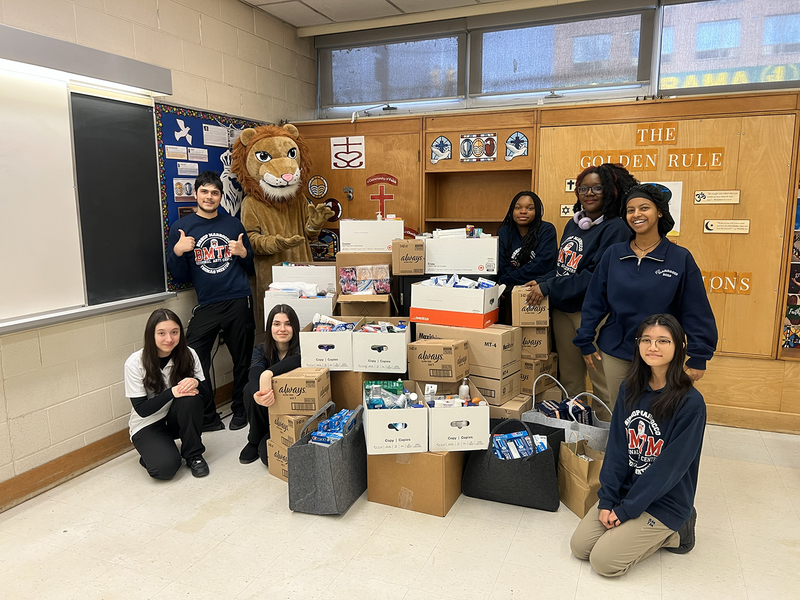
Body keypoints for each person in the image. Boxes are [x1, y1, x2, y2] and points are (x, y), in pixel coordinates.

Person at [570, 314, 705, 577]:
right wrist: (608, 500)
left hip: (665, 500)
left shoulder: (691, 403)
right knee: (580, 547)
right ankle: (632, 526)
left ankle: (677, 533)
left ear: (679, 346)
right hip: (626, 492)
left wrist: (627, 510)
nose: (653, 347)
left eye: (663, 341)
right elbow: (618, 449)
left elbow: (669, 469)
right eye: (647, 340)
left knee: (604, 563)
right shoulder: (630, 388)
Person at [573, 183, 718, 411]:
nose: (636, 215)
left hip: (660, 353)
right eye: (630, 210)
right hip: (616, 351)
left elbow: (696, 309)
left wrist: (699, 355)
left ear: (659, 211)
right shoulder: (614, 255)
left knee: (656, 416)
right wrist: (585, 340)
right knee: (620, 413)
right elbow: (595, 302)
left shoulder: (679, 258)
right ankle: (619, 448)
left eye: (644, 208)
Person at [524, 163, 636, 404]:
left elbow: (594, 277)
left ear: (610, 190)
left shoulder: (616, 228)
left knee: (602, 383)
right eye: (583, 189)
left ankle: (606, 439)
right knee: (570, 380)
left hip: (591, 315)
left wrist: (548, 287)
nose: (589, 194)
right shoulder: (574, 223)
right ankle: (575, 438)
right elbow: (565, 266)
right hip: (563, 310)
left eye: (597, 188)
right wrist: (544, 280)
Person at [167, 171, 256, 432]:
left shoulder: (233, 225)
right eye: (204, 191)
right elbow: (181, 275)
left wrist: (243, 253)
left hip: (238, 299)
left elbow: (249, 265)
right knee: (194, 358)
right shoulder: (182, 229)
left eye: (214, 192)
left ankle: (240, 408)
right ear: (195, 194)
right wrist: (177, 252)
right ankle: (208, 416)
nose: (209, 197)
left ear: (220, 197)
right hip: (206, 304)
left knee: (242, 358)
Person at [124, 309, 210, 479]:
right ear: (151, 334)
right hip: (148, 423)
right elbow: (142, 409)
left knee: (190, 399)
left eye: (174, 332)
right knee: (165, 469)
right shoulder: (134, 363)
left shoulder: (189, 354)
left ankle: (194, 455)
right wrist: (173, 392)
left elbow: (206, 398)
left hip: (176, 416)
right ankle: (155, 454)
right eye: (161, 333)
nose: (169, 339)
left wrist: (197, 383)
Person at [239, 304, 302, 465]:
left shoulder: (302, 348)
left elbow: (296, 360)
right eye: (276, 324)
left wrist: (268, 373)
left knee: (267, 457)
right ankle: (254, 439)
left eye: (288, 324)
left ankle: (265, 440)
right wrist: (256, 395)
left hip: (291, 414)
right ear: (270, 327)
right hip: (267, 410)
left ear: (295, 327)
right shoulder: (261, 349)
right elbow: (254, 372)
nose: (282, 329)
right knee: (248, 389)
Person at [497, 191, 557, 287]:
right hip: (509, 287)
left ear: (537, 211)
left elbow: (542, 265)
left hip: (538, 285)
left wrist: (506, 279)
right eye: (518, 207)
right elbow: (502, 265)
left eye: (530, 208)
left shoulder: (547, 230)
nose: (523, 211)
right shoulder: (503, 232)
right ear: (512, 210)